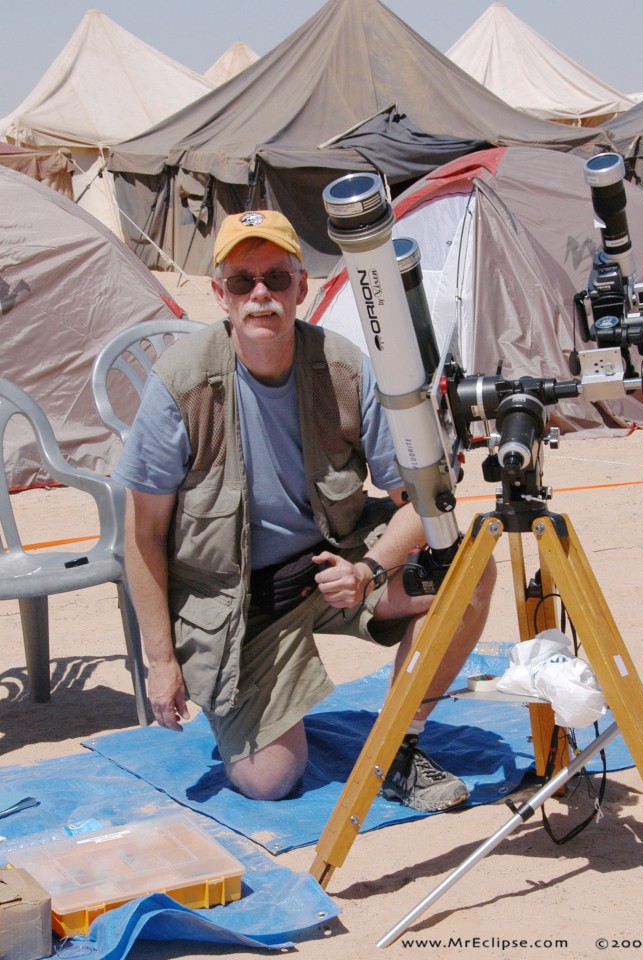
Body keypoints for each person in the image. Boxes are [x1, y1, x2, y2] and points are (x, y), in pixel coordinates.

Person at [114, 209, 496, 812]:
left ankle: (400, 743)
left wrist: (369, 569)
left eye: (275, 277)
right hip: (237, 605)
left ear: (301, 287)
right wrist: (160, 662)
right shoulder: (181, 387)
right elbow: (143, 535)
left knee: (469, 564)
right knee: (270, 781)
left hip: (337, 566)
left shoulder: (343, 368)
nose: (260, 294)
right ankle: (262, 704)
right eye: (243, 281)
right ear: (220, 294)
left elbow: (421, 502)